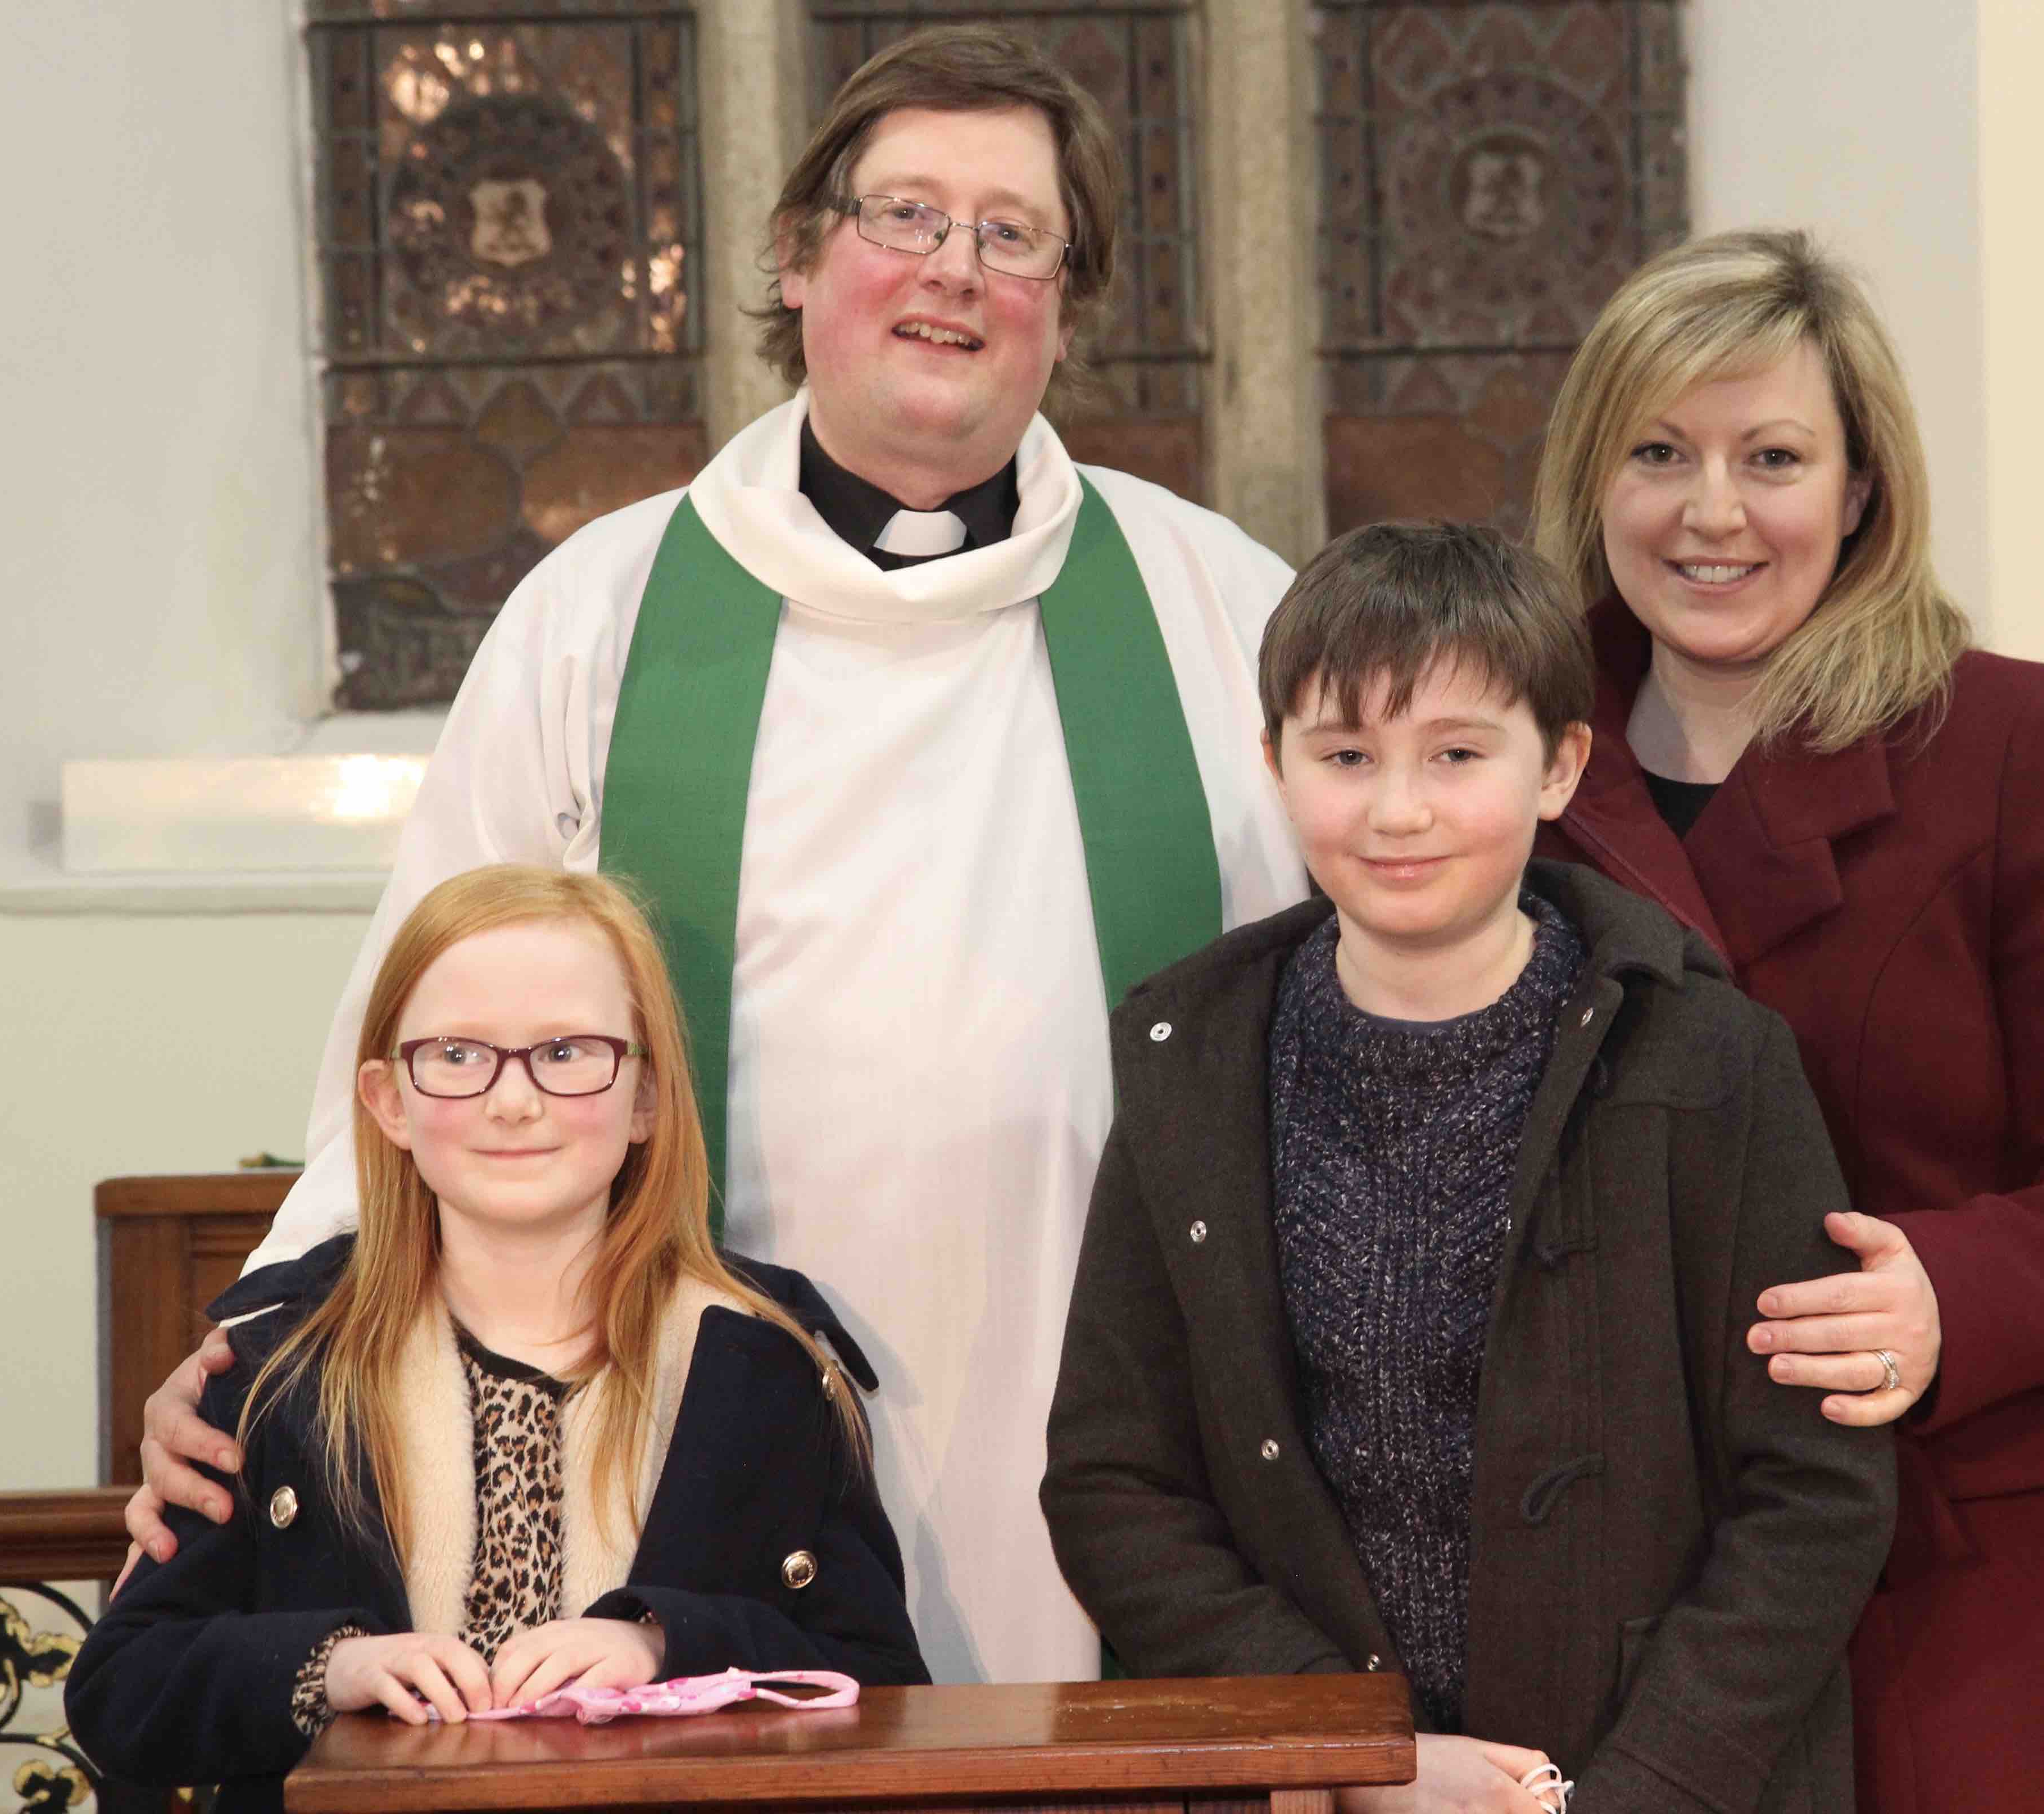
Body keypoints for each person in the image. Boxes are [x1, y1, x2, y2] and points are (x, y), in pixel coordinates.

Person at [120, 27, 1307, 1685]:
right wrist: (256, 1346)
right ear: (798, 253)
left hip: (1116, 1411)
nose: (951, 273)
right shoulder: (601, 612)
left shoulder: (1219, 605)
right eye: (904, 215)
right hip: (694, 1454)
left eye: (1010, 233)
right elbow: (418, 1034)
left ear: (1071, 291)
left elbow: (1368, 995)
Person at [1526, 229, 2044, 1812]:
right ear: (1594, 479)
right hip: (1600, 1595)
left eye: (1771, 457)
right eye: (1659, 452)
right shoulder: (1506, 755)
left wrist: (1957, 1293)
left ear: (1858, 490)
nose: (1711, 512)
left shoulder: (2021, 743)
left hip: (1944, 1578)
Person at [1042, 522, 1895, 1813]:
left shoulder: (1712, 1055)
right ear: (1272, 763)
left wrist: (1632, 1787)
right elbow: (1117, 1483)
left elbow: (1811, 1493)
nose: (1397, 809)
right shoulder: (1189, 1059)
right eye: (1345, 754)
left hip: (1669, 1777)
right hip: (1331, 1782)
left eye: (1454, 752)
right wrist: (1355, 1751)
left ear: (1556, 765)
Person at [67, 866, 926, 1809]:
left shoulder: (763, 1367)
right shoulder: (284, 1367)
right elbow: (120, 1689)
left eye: (567, 1052)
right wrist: (332, 1669)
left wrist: (662, 1643)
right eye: (458, 1054)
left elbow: (882, 1688)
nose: (514, 1101)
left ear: (646, 1096)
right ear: (389, 1100)